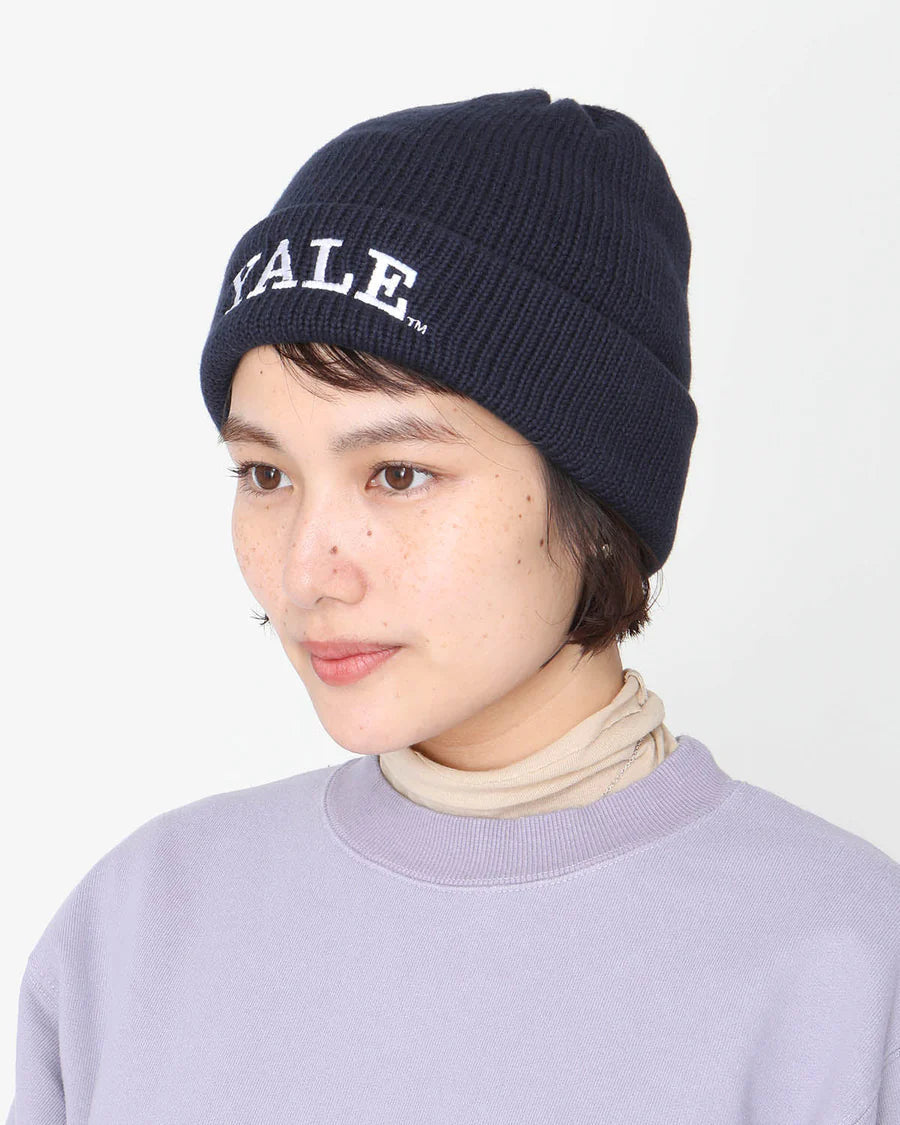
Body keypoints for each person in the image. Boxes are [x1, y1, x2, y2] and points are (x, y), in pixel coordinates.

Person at [7, 89, 899, 1123]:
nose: (308, 571)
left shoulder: (845, 969)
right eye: (265, 474)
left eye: (398, 474)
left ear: (599, 495)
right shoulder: (134, 932)